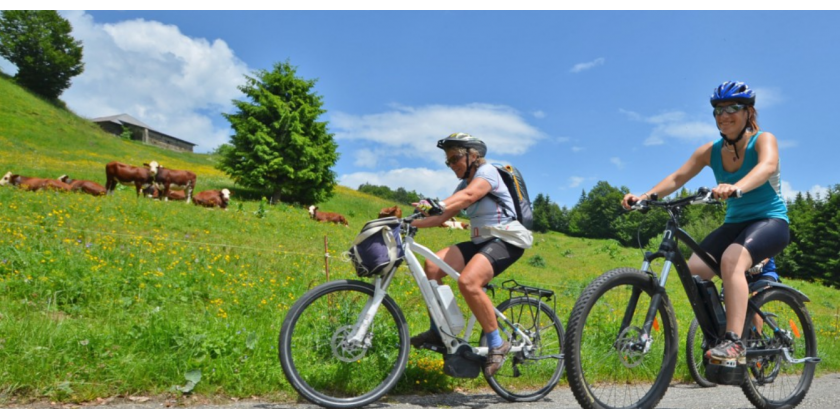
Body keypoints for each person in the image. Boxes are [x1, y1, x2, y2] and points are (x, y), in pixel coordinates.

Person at [622, 81, 789, 367]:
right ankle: (719, 330)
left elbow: (767, 167)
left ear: (748, 112)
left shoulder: (763, 140)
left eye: (733, 108)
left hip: (770, 221)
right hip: (735, 224)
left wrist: (736, 187)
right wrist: (645, 197)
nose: (724, 115)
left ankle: (734, 342)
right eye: (718, 110)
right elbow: (677, 178)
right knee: (695, 270)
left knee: (731, 261)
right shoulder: (709, 151)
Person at [410, 132, 533, 377]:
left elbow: (468, 197)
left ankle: (497, 343)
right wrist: (407, 224)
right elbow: (442, 216)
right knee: (432, 267)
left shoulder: (488, 173)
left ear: (473, 156)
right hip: (480, 241)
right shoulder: (463, 184)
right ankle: (439, 330)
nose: (452, 165)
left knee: (468, 281)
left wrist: (438, 204)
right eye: (448, 161)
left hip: (506, 239)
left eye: (455, 158)